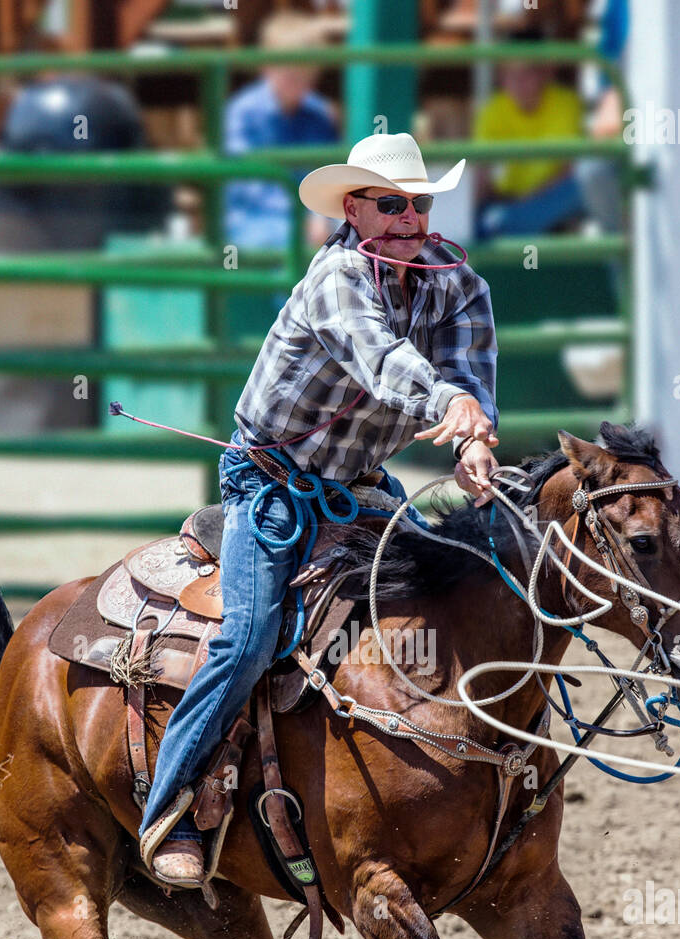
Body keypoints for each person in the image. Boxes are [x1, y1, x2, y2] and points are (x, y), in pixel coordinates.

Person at [142, 131, 500, 884]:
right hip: (270, 485)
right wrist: (449, 402)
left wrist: (474, 439)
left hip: (362, 484)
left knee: (460, 596)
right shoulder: (337, 278)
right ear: (354, 208)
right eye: (391, 203)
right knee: (244, 640)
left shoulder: (459, 283)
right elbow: (382, 360)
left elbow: (470, 370)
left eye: (419, 201)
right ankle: (168, 807)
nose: (409, 215)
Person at [223, 12, 340, 251]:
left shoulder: (318, 114)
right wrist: (304, 218)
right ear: (267, 66)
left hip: (309, 221)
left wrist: (318, 215)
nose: (299, 81)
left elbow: (328, 176)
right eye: (290, 72)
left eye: (307, 73)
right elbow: (248, 186)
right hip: (252, 220)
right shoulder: (242, 113)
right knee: (290, 247)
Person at [473, 39, 585, 239]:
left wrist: (526, 206)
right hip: (508, 203)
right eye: (510, 74)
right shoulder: (492, 111)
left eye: (526, 73)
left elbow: (568, 168)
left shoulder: (566, 103)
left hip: (550, 200)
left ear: (543, 75)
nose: (518, 82)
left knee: (579, 184)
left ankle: (503, 228)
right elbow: (483, 176)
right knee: (482, 221)